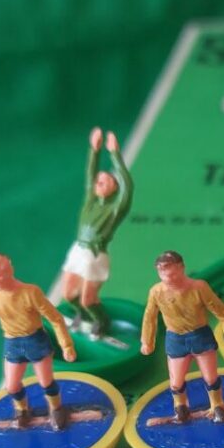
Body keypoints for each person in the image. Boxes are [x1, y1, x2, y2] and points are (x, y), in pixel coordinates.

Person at [140, 250, 224, 423]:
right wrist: (147, 341)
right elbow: (149, 317)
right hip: (176, 339)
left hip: (200, 337)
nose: (168, 279)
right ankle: (181, 408)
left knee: (210, 377)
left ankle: (217, 405)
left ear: (181, 268)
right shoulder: (156, 292)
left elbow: (222, 312)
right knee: (176, 382)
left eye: (172, 274)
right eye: (162, 274)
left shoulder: (199, 287)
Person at [0, 251, 77, 428]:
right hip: (12, 343)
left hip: (35, 341)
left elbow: (55, 318)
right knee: (11, 386)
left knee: (46, 382)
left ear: (9, 270)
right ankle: (22, 411)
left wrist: (66, 345)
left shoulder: (30, 292)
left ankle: (56, 409)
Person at [61, 127, 134, 338]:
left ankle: (101, 321)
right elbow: (89, 175)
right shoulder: (90, 201)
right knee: (69, 295)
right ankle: (82, 316)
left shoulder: (115, 208)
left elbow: (128, 186)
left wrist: (115, 154)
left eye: (105, 180)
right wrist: (94, 150)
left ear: (114, 187)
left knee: (87, 299)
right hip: (78, 250)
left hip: (95, 255)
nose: (98, 181)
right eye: (98, 180)